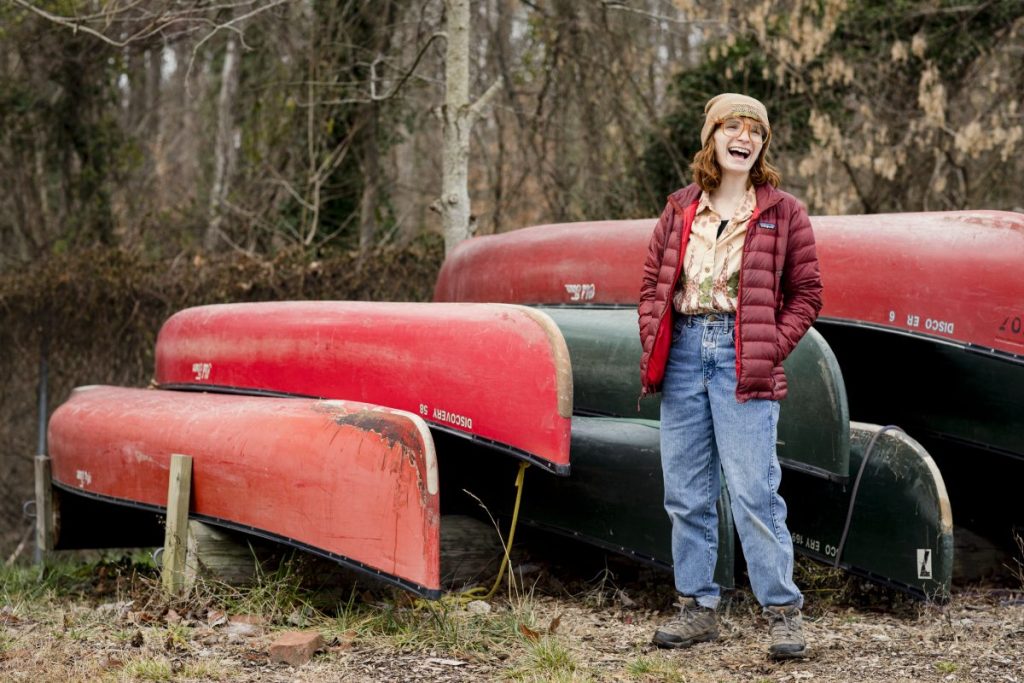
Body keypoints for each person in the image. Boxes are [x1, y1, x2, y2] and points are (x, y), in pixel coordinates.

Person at [637, 93, 822, 659]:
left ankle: (784, 613)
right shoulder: (679, 208)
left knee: (753, 491)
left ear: (762, 145)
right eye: (731, 127)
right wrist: (654, 336)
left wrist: (770, 347)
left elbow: (807, 294)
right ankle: (697, 607)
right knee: (686, 493)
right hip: (686, 354)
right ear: (712, 137)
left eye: (754, 131)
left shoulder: (783, 212)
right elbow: (651, 285)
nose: (743, 137)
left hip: (745, 358)